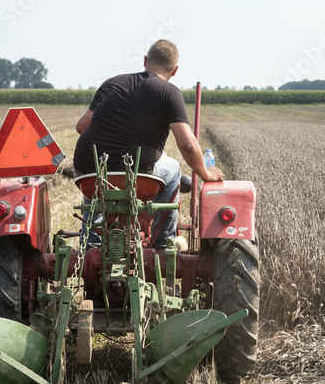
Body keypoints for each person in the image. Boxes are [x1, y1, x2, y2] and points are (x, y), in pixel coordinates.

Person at [73, 39, 224, 247]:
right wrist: (206, 174)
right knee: (174, 170)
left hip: (89, 173)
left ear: (145, 60)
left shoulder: (112, 83)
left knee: (97, 171)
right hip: (138, 177)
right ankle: (162, 244)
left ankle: (91, 243)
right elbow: (188, 145)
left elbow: (81, 127)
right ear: (175, 71)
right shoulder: (169, 92)